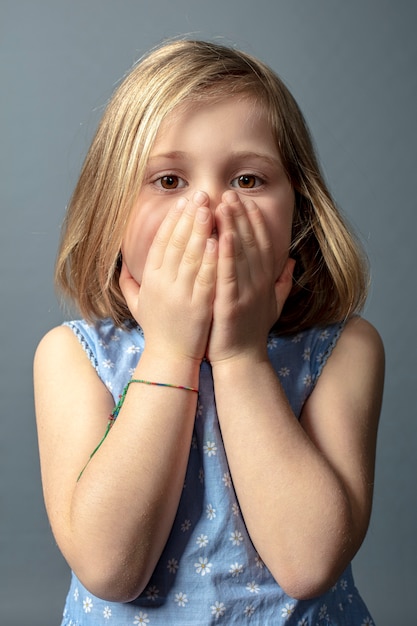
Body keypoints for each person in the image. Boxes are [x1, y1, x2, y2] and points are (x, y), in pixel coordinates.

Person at [34, 39, 384, 625]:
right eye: (169, 181)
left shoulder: (343, 351)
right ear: (111, 211)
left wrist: (240, 355)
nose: (210, 209)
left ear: (297, 211)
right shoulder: (73, 357)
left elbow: (309, 563)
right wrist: (170, 350)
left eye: (248, 179)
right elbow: (110, 567)